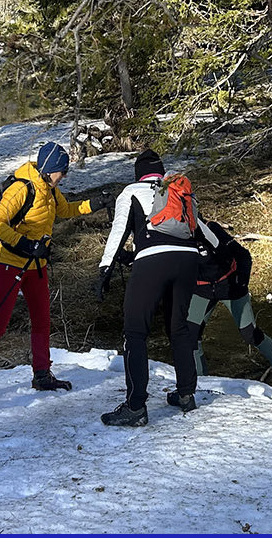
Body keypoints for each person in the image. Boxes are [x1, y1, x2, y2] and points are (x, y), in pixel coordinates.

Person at [0, 141, 105, 405]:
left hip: (37, 266)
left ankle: (42, 374)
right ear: (50, 169)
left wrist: (95, 203)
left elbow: (66, 210)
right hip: (10, 264)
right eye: (62, 171)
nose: (64, 175)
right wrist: (26, 244)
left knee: (42, 320)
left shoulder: (50, 189)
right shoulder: (22, 188)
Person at [95, 149, 215, 427]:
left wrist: (105, 268)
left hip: (152, 261)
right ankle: (186, 394)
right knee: (179, 328)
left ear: (139, 172)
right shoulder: (176, 192)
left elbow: (119, 231)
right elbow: (202, 231)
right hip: (187, 260)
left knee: (135, 332)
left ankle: (135, 407)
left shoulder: (131, 192)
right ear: (161, 172)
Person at [187, 220, 272, 395]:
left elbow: (243, 255)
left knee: (249, 333)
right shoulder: (174, 237)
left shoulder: (211, 230)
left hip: (231, 286)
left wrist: (241, 282)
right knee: (190, 335)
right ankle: (201, 384)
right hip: (202, 290)